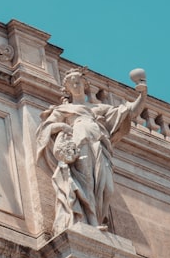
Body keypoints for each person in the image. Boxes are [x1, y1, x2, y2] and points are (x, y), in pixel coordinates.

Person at [36, 70, 148, 232]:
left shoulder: (98, 108)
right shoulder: (63, 110)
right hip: (80, 144)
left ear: (85, 84)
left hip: (100, 147)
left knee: (107, 188)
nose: (76, 84)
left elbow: (131, 112)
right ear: (67, 88)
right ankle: (91, 223)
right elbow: (46, 128)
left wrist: (143, 93)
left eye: (78, 81)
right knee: (86, 182)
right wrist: (63, 126)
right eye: (72, 82)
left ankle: (95, 217)